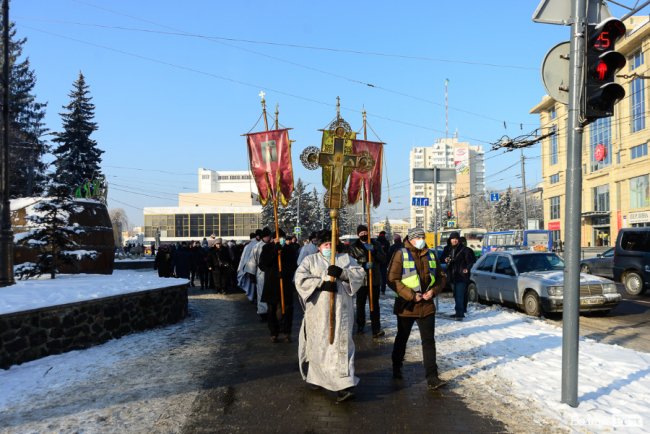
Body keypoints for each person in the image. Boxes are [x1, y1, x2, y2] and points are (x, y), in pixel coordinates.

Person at [295, 229, 365, 403]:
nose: (328, 247)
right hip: (318, 314)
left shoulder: (345, 259)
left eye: (330, 244)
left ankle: (344, 385)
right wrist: (321, 284)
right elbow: (300, 279)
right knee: (319, 347)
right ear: (319, 246)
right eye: (325, 244)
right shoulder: (310, 260)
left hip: (341, 313)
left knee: (341, 347)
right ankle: (317, 377)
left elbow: (360, 275)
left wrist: (343, 274)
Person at [388, 227, 447, 390]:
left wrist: (433, 291)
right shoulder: (401, 254)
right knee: (402, 338)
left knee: (428, 341)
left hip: (427, 305)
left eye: (423, 237)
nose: (421, 240)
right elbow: (392, 279)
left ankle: (432, 377)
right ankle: (396, 366)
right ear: (411, 239)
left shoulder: (432, 254)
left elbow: (441, 278)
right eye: (418, 237)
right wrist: (411, 295)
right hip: (406, 305)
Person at [259, 228, 297, 343]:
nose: (279, 240)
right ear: (272, 239)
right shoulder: (267, 248)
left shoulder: (290, 249)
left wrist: (285, 273)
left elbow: (293, 265)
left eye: (281, 238)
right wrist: (275, 250)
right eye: (277, 238)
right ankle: (274, 332)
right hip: (272, 283)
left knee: (287, 308)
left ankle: (287, 332)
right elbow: (263, 265)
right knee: (272, 310)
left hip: (285, 283)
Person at [347, 224, 386, 338]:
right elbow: (350, 262)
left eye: (365, 232)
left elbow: (383, 259)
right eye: (361, 233)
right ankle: (360, 326)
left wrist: (374, 252)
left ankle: (376, 328)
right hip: (361, 281)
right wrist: (363, 264)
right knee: (360, 304)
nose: (364, 234)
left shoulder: (376, 244)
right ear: (358, 234)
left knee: (374, 305)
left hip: (374, 280)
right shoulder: (354, 247)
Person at [440, 231, 476, 320]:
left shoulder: (465, 250)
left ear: (458, 240)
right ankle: (459, 311)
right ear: (450, 240)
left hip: (461, 276)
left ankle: (460, 314)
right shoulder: (447, 249)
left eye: (456, 239)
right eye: (453, 239)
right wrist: (445, 259)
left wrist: (467, 269)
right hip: (452, 275)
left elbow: (471, 262)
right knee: (456, 294)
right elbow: (441, 259)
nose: (454, 240)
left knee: (459, 294)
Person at [246, 227, 272, 320]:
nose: (269, 238)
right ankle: (263, 312)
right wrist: (252, 274)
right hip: (261, 273)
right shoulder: (257, 247)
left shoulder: (272, 245)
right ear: (264, 237)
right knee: (261, 293)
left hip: (271, 273)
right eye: (268, 236)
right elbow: (252, 260)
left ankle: (271, 311)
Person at [237, 232, 259, 301]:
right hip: (255, 268)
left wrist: (240, 268)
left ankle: (252, 297)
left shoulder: (247, 246)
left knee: (251, 284)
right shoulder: (257, 244)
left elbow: (243, 258)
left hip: (248, 267)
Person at [376, 230, 391, 295]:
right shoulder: (387, 242)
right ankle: (383, 290)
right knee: (383, 276)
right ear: (384, 235)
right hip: (384, 262)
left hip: (377, 261)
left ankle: (377, 289)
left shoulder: (376, 241)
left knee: (376, 276)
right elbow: (388, 252)